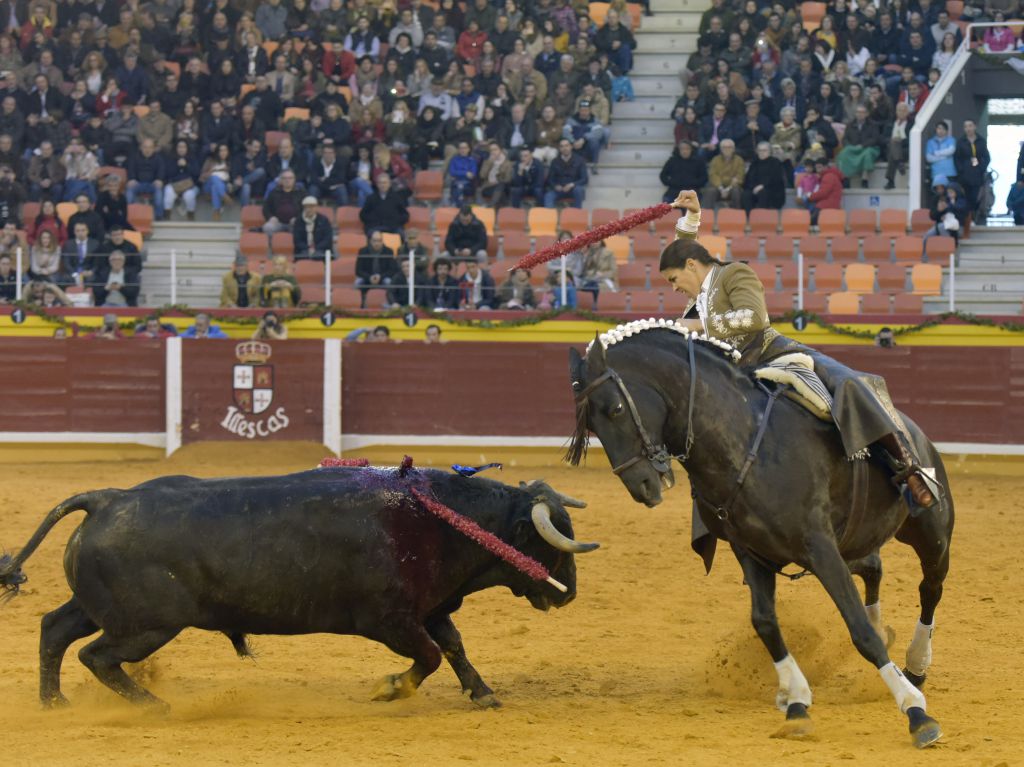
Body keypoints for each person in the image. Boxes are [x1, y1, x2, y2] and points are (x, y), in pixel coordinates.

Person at [658, 189, 938, 516]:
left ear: (691, 266)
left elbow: (754, 318)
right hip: (736, 375)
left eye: (674, 279)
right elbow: (682, 250)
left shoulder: (733, 274)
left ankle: (909, 466)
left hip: (773, 354)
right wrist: (691, 217)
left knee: (847, 382)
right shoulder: (698, 296)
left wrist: (698, 326)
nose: (674, 288)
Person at [954, 119, 990, 224]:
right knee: (965, 197)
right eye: (966, 126)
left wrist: (981, 168)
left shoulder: (981, 141)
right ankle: (966, 219)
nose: (968, 129)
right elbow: (957, 158)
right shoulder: (961, 142)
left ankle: (973, 217)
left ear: (975, 127)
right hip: (964, 175)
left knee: (975, 197)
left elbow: (987, 158)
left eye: (970, 126)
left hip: (977, 175)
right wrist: (961, 170)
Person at [355, 230, 397, 308]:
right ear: (370, 241)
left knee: (389, 282)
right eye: (374, 241)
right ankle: (361, 305)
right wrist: (369, 277)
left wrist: (380, 277)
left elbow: (392, 270)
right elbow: (358, 270)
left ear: (382, 241)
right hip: (368, 278)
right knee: (357, 282)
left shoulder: (388, 251)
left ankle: (389, 304)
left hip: (383, 278)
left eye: (379, 241)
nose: (377, 243)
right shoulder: (363, 251)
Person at [742, 142, 786, 211]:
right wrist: (753, 187)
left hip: (772, 191)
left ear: (769, 151)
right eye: (760, 150)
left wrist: (763, 185)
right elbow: (749, 178)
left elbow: (777, 179)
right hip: (755, 189)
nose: (762, 153)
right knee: (746, 194)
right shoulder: (754, 163)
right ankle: (749, 217)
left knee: (763, 193)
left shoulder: (775, 162)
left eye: (764, 150)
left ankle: (762, 218)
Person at [703, 139, 744, 210]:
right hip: (718, 187)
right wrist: (721, 188)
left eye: (729, 147)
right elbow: (713, 175)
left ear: (733, 149)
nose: (727, 149)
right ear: (721, 149)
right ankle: (706, 216)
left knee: (736, 192)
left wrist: (728, 189)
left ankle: (737, 215)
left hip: (732, 187)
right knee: (710, 191)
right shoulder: (715, 160)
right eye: (724, 147)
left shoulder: (739, 160)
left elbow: (740, 176)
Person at [806, 158, 844, 225]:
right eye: (816, 167)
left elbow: (823, 193)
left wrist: (810, 196)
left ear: (826, 167)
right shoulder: (831, 175)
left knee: (807, 224)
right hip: (830, 206)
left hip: (825, 207)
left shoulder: (828, 176)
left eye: (819, 167)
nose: (817, 170)